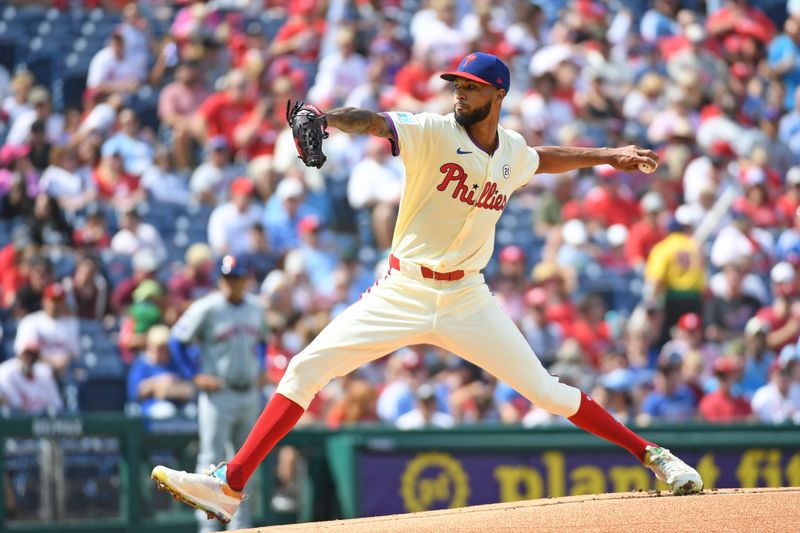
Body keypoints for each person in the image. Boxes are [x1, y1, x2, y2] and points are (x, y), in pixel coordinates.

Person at [152, 52, 703, 525]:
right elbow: (376, 122)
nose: (460, 93)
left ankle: (654, 455)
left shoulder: (511, 150)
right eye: (457, 85)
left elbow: (542, 160)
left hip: (468, 297)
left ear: (498, 93)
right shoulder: (432, 131)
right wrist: (328, 118)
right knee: (304, 368)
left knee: (547, 392)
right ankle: (229, 486)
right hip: (404, 290)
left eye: (472, 87)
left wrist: (609, 156)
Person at [167, 255, 269, 532]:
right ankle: (208, 528)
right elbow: (176, 340)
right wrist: (193, 375)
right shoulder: (207, 307)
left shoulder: (256, 308)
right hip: (218, 395)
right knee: (209, 459)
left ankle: (241, 527)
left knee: (247, 463)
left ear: (246, 280)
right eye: (226, 278)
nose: (230, 283)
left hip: (248, 394)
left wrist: (261, 366)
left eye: (235, 278)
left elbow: (263, 342)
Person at [127, 325, 196, 419]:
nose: (160, 352)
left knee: (193, 411)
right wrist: (157, 383)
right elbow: (134, 393)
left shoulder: (176, 362)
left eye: (163, 348)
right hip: (150, 409)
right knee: (166, 411)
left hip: (180, 407)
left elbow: (191, 388)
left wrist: (172, 388)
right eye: (157, 348)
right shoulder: (142, 364)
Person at [0, 340, 63, 414]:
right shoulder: (6, 371)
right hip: (15, 419)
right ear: (20, 355)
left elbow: (57, 404)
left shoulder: (44, 373)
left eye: (33, 356)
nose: (29, 359)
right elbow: (13, 403)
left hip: (39, 419)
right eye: (26, 355)